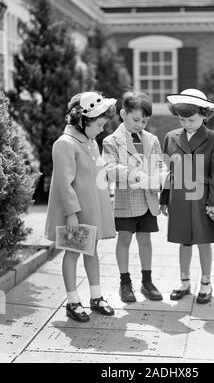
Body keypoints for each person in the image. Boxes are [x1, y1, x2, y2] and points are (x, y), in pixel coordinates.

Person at [45, 92, 117, 322]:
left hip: (92, 209)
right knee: (73, 252)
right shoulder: (65, 144)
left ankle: (96, 297)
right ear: (83, 120)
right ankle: (72, 301)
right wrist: (71, 215)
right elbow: (63, 184)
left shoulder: (90, 142)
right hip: (76, 213)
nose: (102, 129)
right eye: (99, 124)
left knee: (92, 251)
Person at [160, 89, 214, 304]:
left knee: (203, 240)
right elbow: (168, 172)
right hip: (178, 196)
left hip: (202, 197)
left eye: (191, 119)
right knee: (183, 240)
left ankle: (206, 282)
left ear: (205, 115)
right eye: (181, 119)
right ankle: (184, 281)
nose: (186, 123)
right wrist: (164, 198)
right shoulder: (170, 137)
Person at [102, 91, 167, 303]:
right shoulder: (112, 141)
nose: (140, 124)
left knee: (145, 240)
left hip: (148, 199)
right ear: (123, 114)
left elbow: (159, 165)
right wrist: (134, 174)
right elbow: (110, 168)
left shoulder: (152, 140)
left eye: (145, 121)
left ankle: (147, 282)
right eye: (136, 119)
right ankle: (125, 282)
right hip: (126, 201)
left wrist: (161, 178)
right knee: (125, 239)